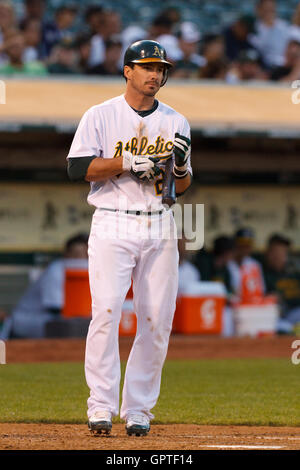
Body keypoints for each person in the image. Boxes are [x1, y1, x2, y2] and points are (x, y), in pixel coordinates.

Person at [66, 39, 192, 436]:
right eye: (147, 67)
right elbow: (77, 168)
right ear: (128, 71)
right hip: (113, 220)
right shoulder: (101, 114)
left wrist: (182, 165)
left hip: (159, 221)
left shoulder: (176, 120)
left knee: (157, 320)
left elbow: (183, 187)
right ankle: (100, 405)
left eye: (160, 69)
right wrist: (125, 162)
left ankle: (138, 409)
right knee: (105, 312)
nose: (155, 74)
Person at [0, 233, 88, 340]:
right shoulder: (56, 269)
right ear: (66, 254)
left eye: (85, 254)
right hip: (28, 323)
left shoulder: (94, 272)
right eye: (75, 254)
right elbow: (57, 309)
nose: (80, 259)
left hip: (57, 325)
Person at [262, 234, 300, 333]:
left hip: (296, 314)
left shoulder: (295, 272)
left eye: (283, 252)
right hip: (277, 318)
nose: (280, 256)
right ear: (269, 254)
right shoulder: (262, 273)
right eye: (276, 252)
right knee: (283, 328)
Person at [249, 0, 290, 69]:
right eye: (266, 9)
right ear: (259, 9)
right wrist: (269, 28)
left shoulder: (284, 26)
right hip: (264, 67)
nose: (269, 12)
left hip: (285, 64)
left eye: (271, 9)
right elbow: (260, 51)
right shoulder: (254, 28)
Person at [228, 227, 265, 303]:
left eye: (248, 244)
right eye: (241, 243)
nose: (245, 247)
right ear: (234, 244)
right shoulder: (227, 263)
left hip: (251, 305)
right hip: (229, 307)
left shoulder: (255, 265)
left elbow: (261, 291)